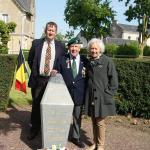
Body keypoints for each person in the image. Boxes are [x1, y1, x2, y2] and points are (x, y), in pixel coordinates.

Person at [27, 21, 65, 140]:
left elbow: (62, 63)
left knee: (51, 106)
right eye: (49, 30)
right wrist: (36, 72)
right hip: (38, 79)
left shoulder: (61, 46)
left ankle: (48, 129)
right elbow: (30, 60)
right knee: (36, 105)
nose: (50, 32)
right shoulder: (36, 43)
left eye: (53, 30)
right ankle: (34, 129)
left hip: (52, 81)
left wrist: (56, 70)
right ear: (45, 31)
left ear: (55, 32)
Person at [85, 38, 118, 150]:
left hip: (102, 98)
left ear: (100, 49)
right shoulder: (89, 62)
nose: (93, 50)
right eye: (91, 48)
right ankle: (95, 143)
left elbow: (114, 80)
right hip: (91, 97)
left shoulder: (107, 61)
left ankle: (101, 145)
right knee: (93, 121)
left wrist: (108, 94)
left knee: (100, 122)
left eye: (95, 48)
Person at [57, 37, 87, 148]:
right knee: (63, 116)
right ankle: (60, 136)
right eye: (72, 46)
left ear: (79, 48)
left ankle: (76, 137)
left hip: (79, 93)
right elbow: (56, 71)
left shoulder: (85, 60)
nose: (74, 49)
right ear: (69, 48)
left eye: (76, 46)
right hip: (64, 94)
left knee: (77, 117)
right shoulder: (61, 59)